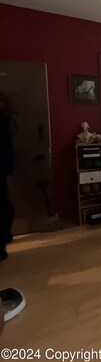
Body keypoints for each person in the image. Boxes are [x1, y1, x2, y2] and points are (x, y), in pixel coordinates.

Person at [0, 92, 16, 260]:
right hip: (4, 168)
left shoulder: (4, 121)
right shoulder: (5, 121)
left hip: (2, 168)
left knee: (3, 206)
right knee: (4, 205)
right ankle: (5, 236)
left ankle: (4, 238)